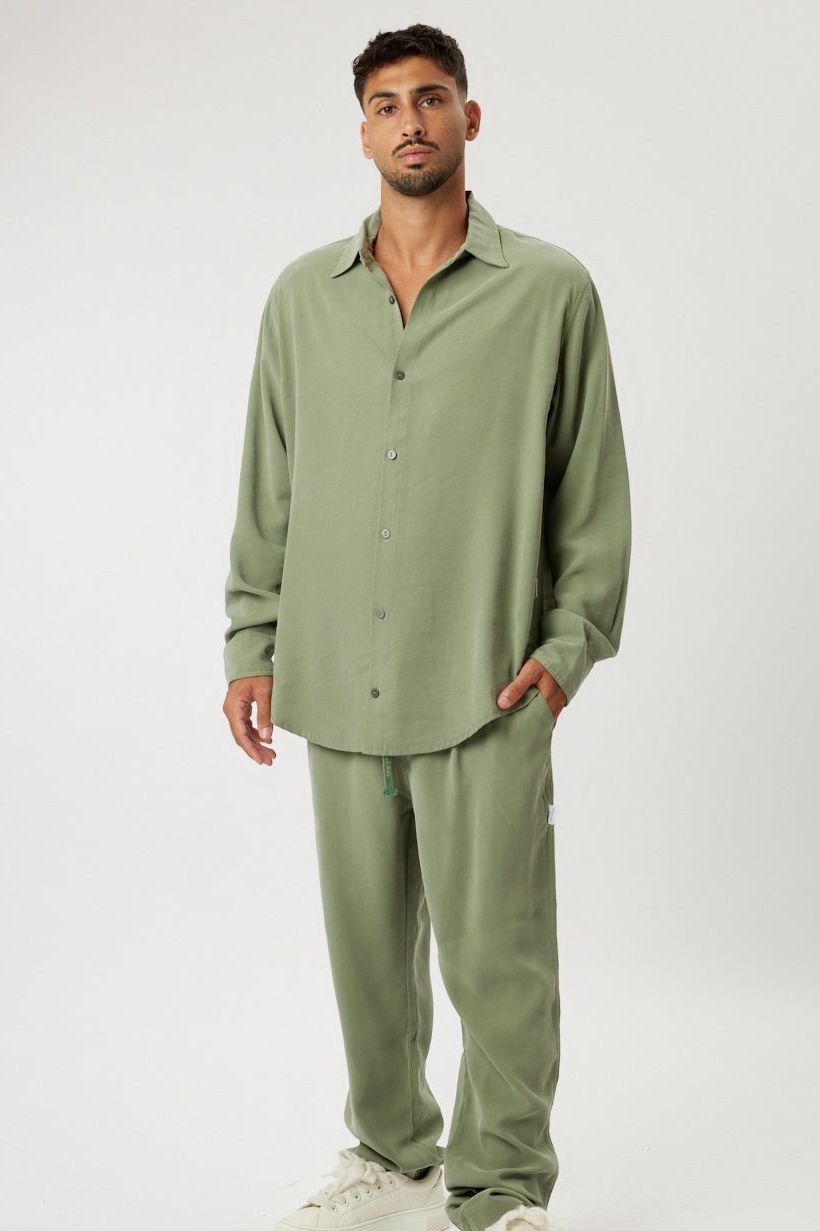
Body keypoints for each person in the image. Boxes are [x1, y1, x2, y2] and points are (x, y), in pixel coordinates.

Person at [222, 23, 632, 1231]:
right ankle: (392, 1147)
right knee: (366, 953)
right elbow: (270, 483)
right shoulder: (302, 299)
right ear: (362, 131)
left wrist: (565, 651)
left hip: (485, 677)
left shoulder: (549, 291)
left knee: (497, 955)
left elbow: (590, 487)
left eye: (433, 97)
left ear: (469, 118)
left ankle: (499, 1185)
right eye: (388, 103)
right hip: (336, 672)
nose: (411, 119)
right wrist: (251, 641)